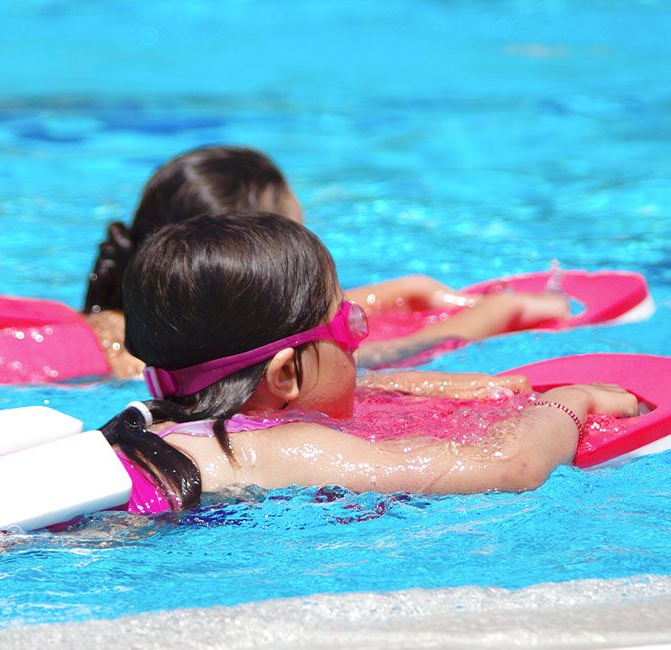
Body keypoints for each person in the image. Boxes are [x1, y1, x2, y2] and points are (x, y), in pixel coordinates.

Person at [99, 213, 637, 513]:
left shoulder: (159, 425)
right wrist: (569, 402)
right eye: (350, 325)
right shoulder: (275, 448)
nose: (359, 342)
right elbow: (511, 469)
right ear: (284, 373)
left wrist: (431, 389)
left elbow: (347, 394)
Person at [83, 146, 570, 375]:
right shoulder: (148, 360)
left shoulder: (142, 325)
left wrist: (406, 291)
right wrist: (486, 319)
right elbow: (369, 360)